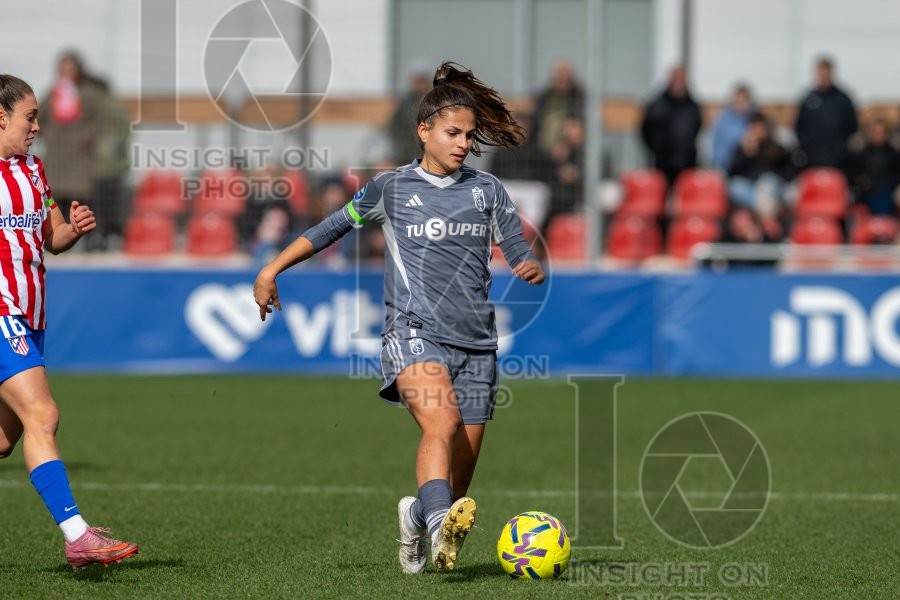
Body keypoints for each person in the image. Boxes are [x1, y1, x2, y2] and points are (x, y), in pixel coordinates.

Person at [253, 62, 544, 574]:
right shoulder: (390, 189)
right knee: (441, 421)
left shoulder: (487, 191)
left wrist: (526, 263)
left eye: (469, 135)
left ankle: (418, 513)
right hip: (413, 332)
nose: (462, 144)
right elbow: (331, 228)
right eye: (452, 133)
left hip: (478, 344)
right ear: (424, 130)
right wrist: (273, 267)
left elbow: (517, 244)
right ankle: (437, 530)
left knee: (461, 473)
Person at [0, 74, 138, 569]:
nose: (38, 125)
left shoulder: (34, 172)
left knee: (4, 441)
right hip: (1, 315)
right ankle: (78, 536)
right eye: (30, 116)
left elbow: (51, 237)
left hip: (30, 316)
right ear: (1, 117)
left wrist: (72, 229)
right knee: (44, 416)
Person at [640, 65, 703, 186]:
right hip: (662, 163)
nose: (679, 82)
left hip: (687, 162)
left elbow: (697, 127)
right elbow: (645, 130)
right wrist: (657, 148)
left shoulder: (692, 106)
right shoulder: (657, 105)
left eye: (682, 79)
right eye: (676, 78)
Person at [794, 56, 858, 169]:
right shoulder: (809, 98)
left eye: (826, 72)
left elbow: (852, 127)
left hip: (837, 159)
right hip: (812, 158)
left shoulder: (843, 99)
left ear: (831, 73)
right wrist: (806, 146)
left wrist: (842, 147)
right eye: (820, 72)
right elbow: (799, 126)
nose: (823, 75)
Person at [710, 83, 755, 172]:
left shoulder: (753, 119)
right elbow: (719, 152)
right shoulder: (723, 120)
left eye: (744, 102)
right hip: (726, 167)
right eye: (738, 102)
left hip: (749, 169)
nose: (741, 105)